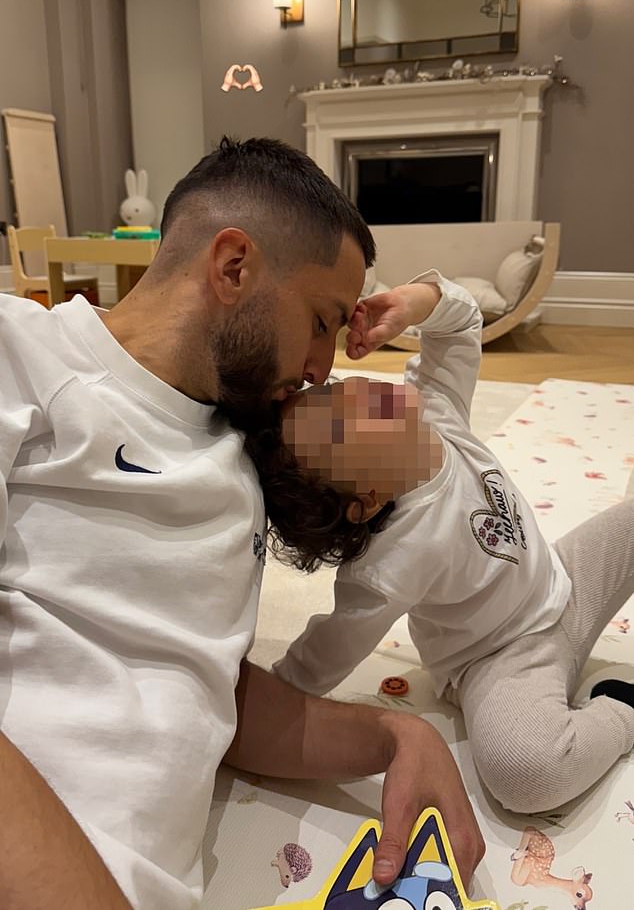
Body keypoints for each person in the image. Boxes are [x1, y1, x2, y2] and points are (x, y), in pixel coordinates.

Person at [0, 139, 483, 910]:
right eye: (323, 322)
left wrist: (396, 737)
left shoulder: (245, 455)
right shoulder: (21, 351)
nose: (325, 366)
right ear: (233, 267)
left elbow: (206, 687)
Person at [258, 269, 634, 815]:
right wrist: (273, 698)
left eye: (334, 391)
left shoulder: (434, 408)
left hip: (563, 577)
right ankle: (620, 717)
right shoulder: (389, 562)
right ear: (365, 497)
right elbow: (332, 645)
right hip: (501, 658)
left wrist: (416, 301)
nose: (352, 392)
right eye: (340, 421)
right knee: (524, 774)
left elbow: (460, 328)